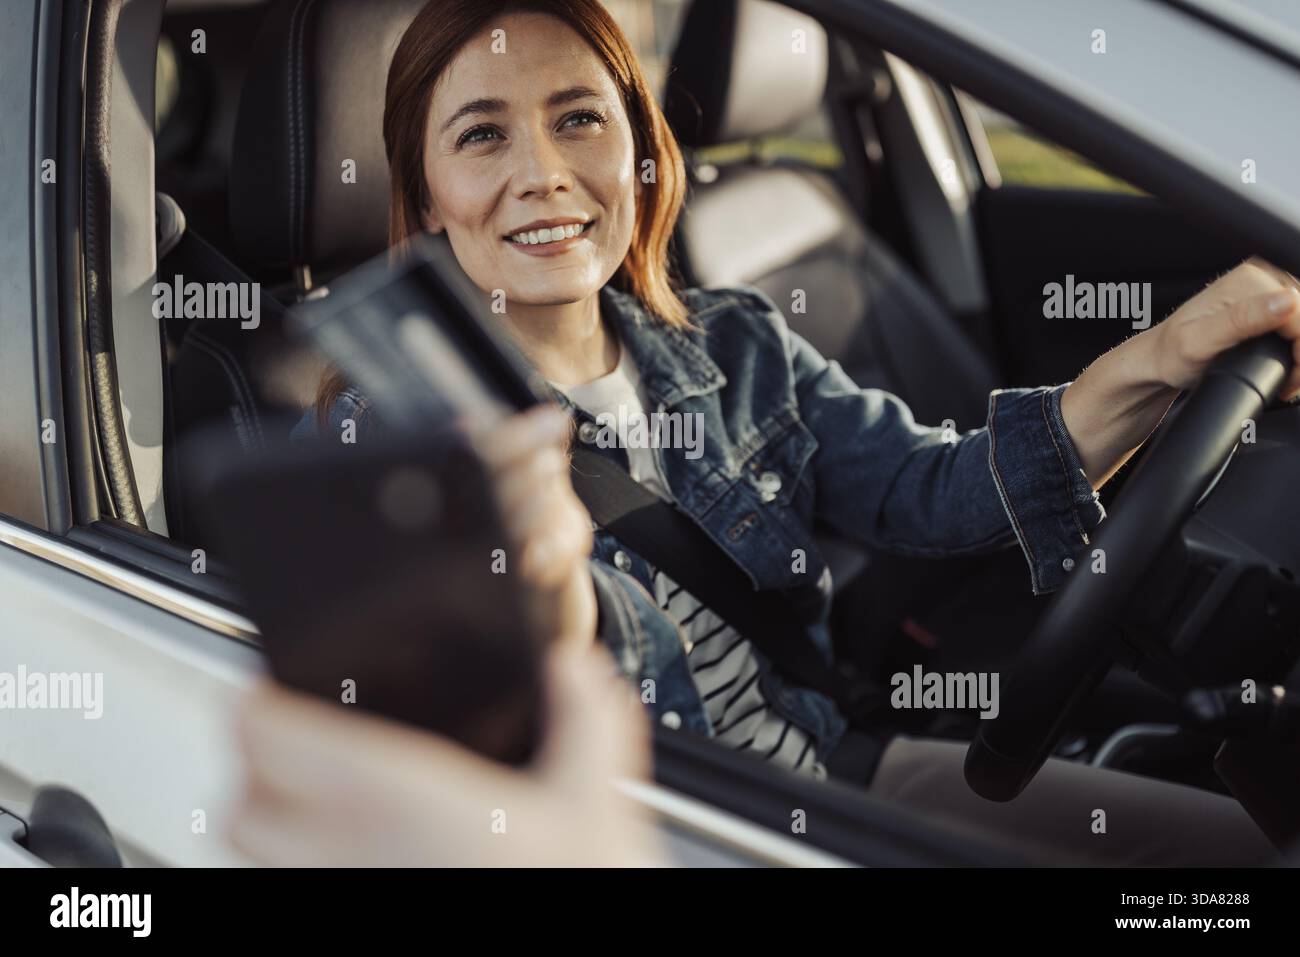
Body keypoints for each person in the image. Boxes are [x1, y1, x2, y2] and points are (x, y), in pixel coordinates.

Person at [290, 0, 1300, 864]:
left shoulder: (735, 343)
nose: (545, 172)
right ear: (426, 196)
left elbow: (932, 490)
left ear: (639, 150)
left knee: (1236, 853)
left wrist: (1166, 355)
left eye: (579, 119)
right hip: (658, 836)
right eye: (481, 135)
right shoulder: (392, 438)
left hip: (827, 765)